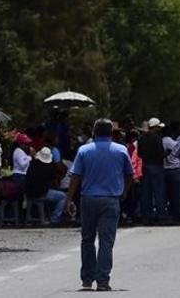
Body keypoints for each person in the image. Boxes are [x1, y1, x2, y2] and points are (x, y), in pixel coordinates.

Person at [66, 118, 133, 292]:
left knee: (87, 239)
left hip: (88, 199)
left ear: (94, 133)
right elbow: (130, 175)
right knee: (106, 241)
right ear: (112, 133)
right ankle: (103, 281)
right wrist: (124, 192)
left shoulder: (84, 150)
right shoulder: (121, 150)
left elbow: (75, 176)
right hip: (111, 199)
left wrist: (68, 199)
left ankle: (87, 279)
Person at [24, 147, 67, 225]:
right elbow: (54, 178)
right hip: (41, 193)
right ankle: (55, 218)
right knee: (63, 196)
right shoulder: (47, 168)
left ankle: (46, 216)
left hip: (29, 193)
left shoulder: (32, 164)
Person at [136, 118, 168, 224]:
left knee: (146, 192)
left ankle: (146, 216)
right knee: (159, 192)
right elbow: (161, 153)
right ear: (155, 127)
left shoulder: (141, 138)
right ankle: (161, 216)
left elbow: (139, 153)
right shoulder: (157, 138)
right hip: (157, 166)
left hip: (145, 166)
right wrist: (167, 153)